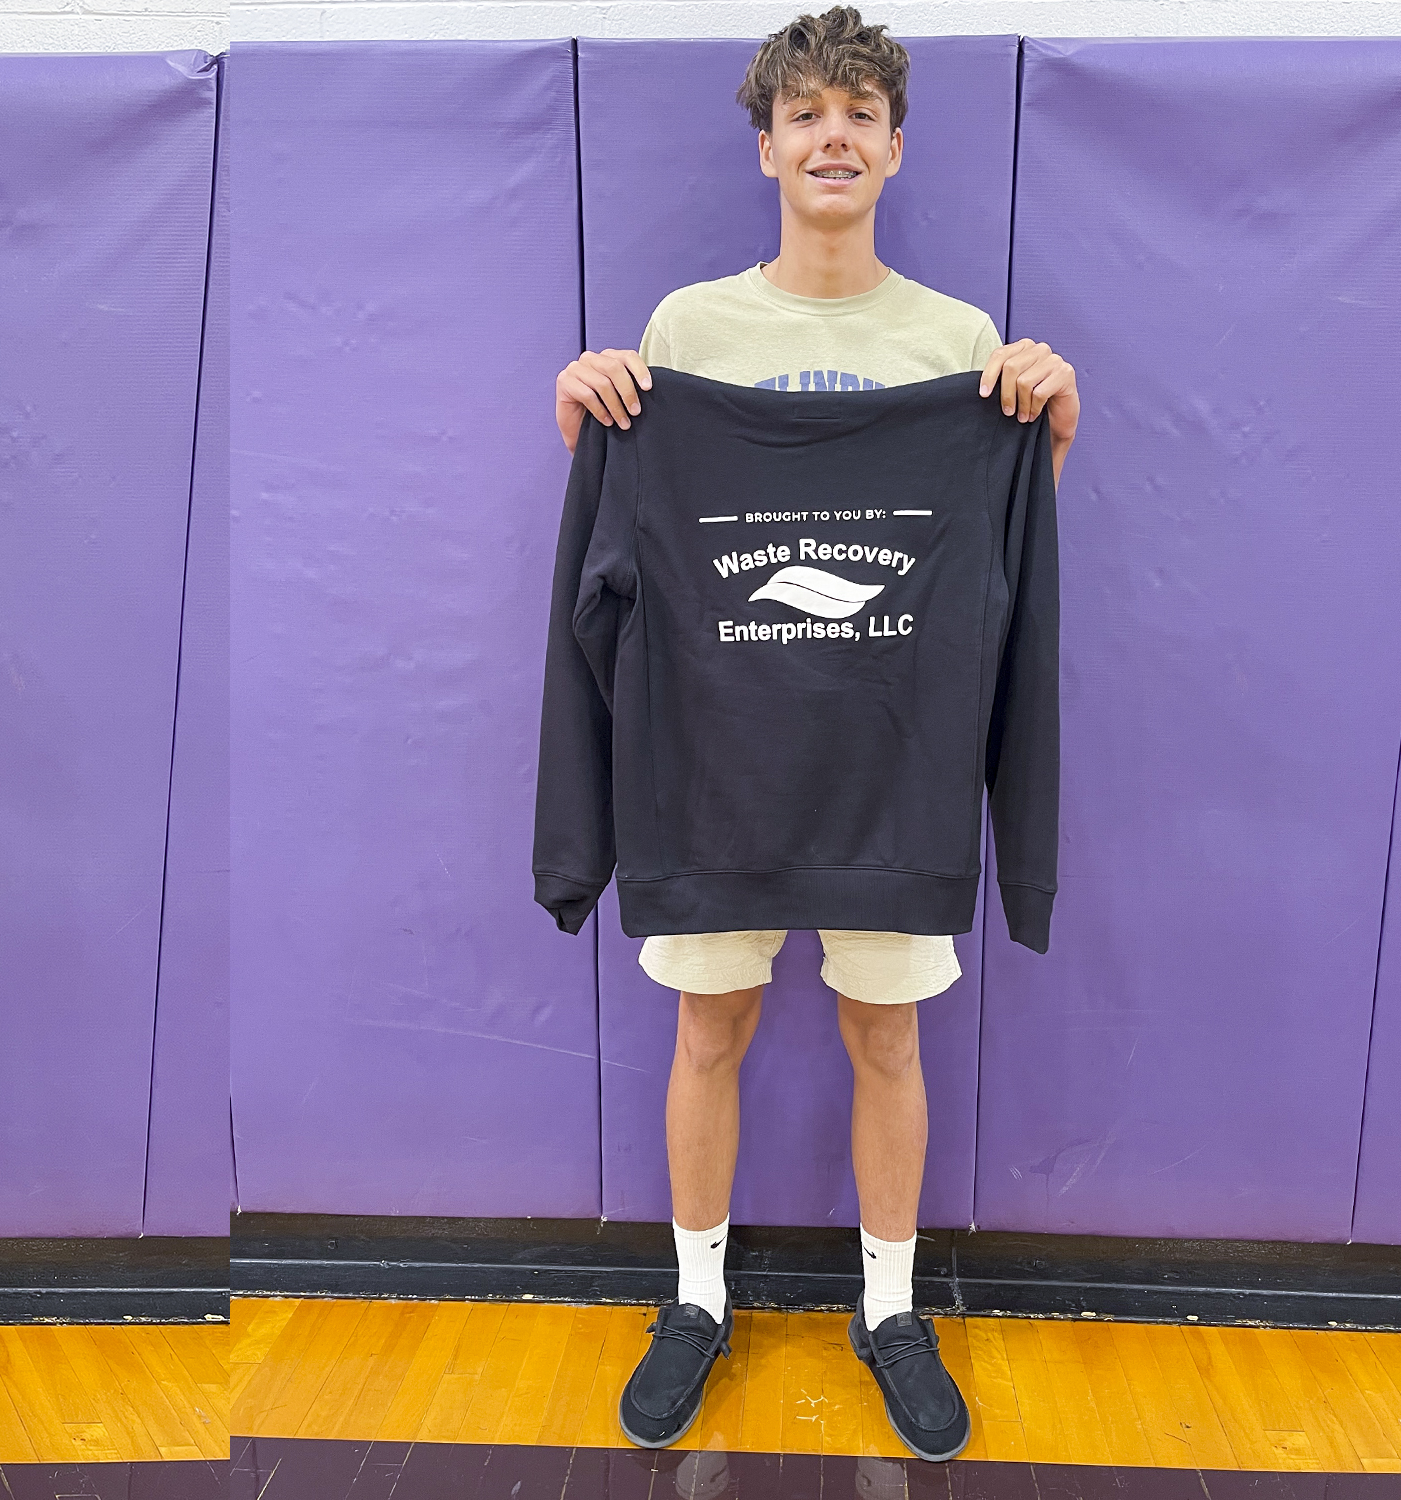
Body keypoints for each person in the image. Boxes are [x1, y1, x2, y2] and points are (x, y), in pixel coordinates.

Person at [551, 6, 1078, 1463]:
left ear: (895, 149)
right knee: (707, 1023)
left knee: (883, 1032)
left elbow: (1007, 530)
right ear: (768, 146)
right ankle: (698, 1300)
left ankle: (890, 1308)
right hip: (715, 759)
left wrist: (1045, 417)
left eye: (859, 112)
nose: (832, 135)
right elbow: (631, 522)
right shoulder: (687, 329)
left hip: (889, 765)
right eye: (805, 114)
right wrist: (588, 417)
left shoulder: (959, 341)